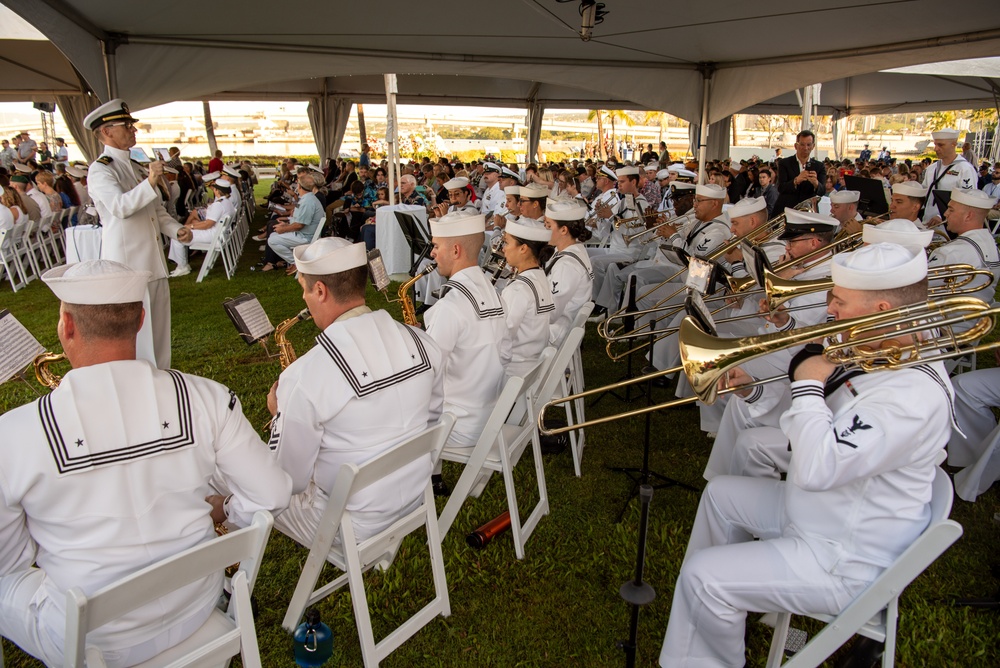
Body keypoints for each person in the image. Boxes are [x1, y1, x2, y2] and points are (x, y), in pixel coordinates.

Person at [659, 242, 954, 667]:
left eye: (839, 300)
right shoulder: (882, 346)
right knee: (722, 495)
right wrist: (750, 387)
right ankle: (720, 614)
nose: (829, 307)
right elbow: (811, 420)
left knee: (705, 578)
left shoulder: (910, 397)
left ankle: (711, 611)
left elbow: (817, 465)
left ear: (881, 309)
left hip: (843, 555)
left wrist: (809, 386)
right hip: (827, 511)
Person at [0, 260, 291, 667]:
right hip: (197, 603)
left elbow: (9, 562)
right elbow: (274, 493)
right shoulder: (207, 397)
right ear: (140, 319)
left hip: (92, 640)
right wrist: (228, 511)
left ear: (66, 325)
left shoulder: (12, 434)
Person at [264, 237, 444, 545]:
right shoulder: (423, 342)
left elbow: (287, 481)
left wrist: (279, 413)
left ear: (320, 291)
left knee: (244, 488)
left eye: (305, 290)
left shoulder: (306, 374)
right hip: (414, 498)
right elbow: (434, 418)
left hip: (349, 523)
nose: (305, 299)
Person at [84, 99, 192, 370]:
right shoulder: (101, 169)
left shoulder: (134, 166)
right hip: (128, 265)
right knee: (137, 336)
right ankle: (142, 385)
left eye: (132, 125)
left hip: (153, 263)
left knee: (159, 334)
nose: (134, 130)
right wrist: (150, 182)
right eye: (127, 126)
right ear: (107, 131)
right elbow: (121, 207)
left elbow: (155, 211)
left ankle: (162, 379)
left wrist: (176, 230)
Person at [425, 210, 512, 495]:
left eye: (436, 246)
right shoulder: (493, 290)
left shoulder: (451, 306)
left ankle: (412, 488)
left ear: (456, 249)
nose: (433, 253)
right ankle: (433, 478)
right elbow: (505, 353)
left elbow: (427, 372)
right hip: (489, 414)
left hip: (459, 424)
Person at [499, 219, 555, 378]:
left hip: (513, 372)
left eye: (507, 243)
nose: (504, 249)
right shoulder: (539, 276)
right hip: (531, 366)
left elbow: (503, 339)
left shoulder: (518, 289)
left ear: (523, 248)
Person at [927, 189, 1000, 311]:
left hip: (943, 322)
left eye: (951, 209)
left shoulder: (952, 252)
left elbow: (918, 286)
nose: (945, 213)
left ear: (968, 216)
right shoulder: (992, 245)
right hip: (975, 318)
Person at [544, 198, 594, 345]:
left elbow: (551, 313)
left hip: (556, 332)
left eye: (548, 225)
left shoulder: (567, 265)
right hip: (560, 325)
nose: (544, 230)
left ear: (564, 230)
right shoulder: (573, 249)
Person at [167, 177, 237, 277]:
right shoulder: (228, 202)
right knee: (181, 232)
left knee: (177, 236)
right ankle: (182, 265)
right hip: (220, 234)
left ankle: (182, 267)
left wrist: (190, 226)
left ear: (217, 190)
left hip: (212, 235)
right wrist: (192, 226)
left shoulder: (219, 204)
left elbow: (207, 224)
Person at [265, 172, 324, 275]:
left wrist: (284, 229)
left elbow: (300, 225)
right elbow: (298, 221)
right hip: (302, 233)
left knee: (272, 240)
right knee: (274, 235)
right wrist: (285, 225)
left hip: (305, 237)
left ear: (299, 186)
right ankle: (294, 262)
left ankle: (295, 262)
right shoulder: (307, 198)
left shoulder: (308, 201)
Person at [920, 128, 978, 228]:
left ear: (954, 144)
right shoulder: (931, 169)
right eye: (935, 144)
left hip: (948, 225)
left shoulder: (965, 169)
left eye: (941, 145)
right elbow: (924, 193)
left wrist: (941, 215)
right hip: (927, 222)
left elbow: (968, 200)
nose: (936, 149)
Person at [774, 130, 825, 212]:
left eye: (809, 145)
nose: (805, 148)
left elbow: (822, 191)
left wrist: (816, 183)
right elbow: (781, 188)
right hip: (787, 209)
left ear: (813, 146)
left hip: (809, 212)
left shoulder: (819, 166)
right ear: (796, 146)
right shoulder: (784, 163)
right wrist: (796, 181)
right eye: (802, 144)